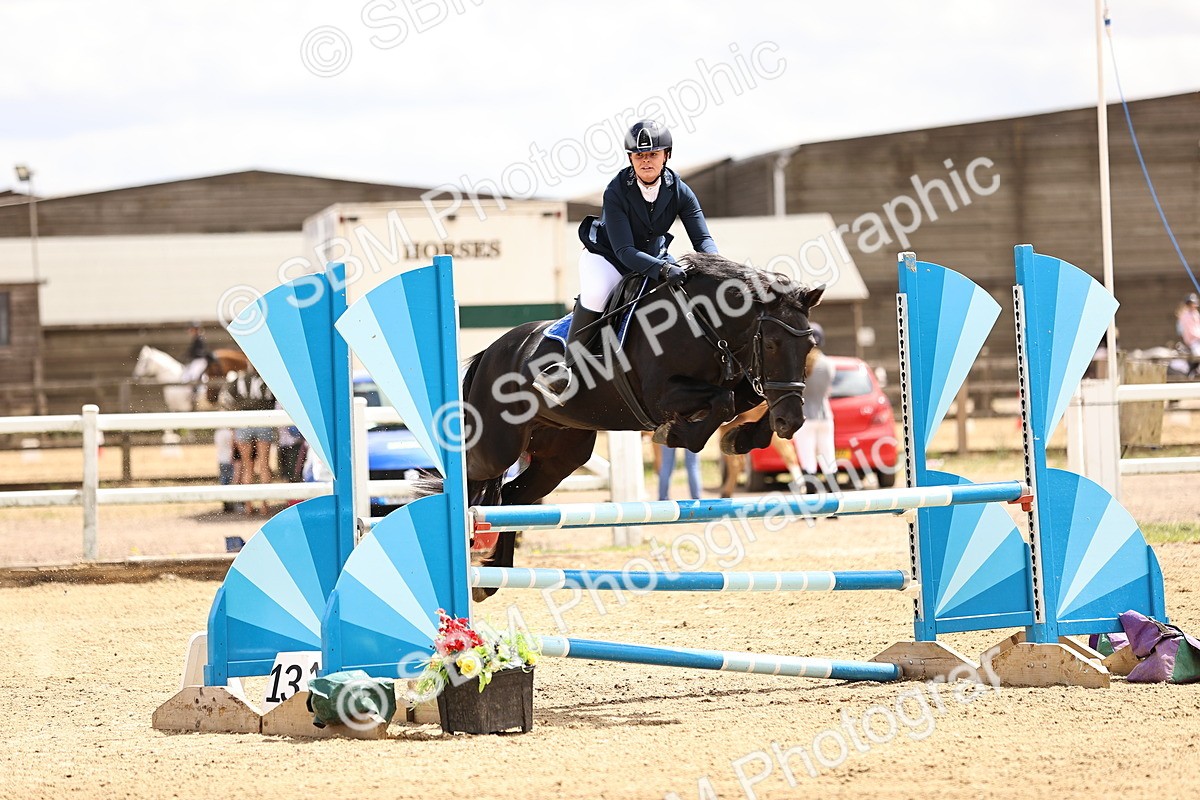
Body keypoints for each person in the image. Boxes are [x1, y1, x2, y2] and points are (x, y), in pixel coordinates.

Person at [534, 119, 719, 398]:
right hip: (608, 257)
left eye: (653, 154)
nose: (646, 161)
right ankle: (567, 370)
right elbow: (625, 251)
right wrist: (664, 270)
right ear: (630, 158)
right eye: (639, 155)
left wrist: (717, 267)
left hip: (655, 257)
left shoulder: (680, 190)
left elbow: (702, 239)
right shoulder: (617, 190)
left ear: (666, 155)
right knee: (597, 293)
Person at [793, 323, 837, 494]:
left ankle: (810, 499)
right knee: (829, 458)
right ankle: (834, 500)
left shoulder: (797, 364)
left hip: (804, 416)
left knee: (808, 460)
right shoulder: (828, 363)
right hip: (824, 415)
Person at [1177, 293, 1200, 375]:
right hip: (1193, 341)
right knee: (1197, 354)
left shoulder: (1196, 314)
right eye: (1190, 303)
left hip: (1198, 339)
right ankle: (1192, 372)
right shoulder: (1185, 316)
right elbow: (1190, 331)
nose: (1193, 305)